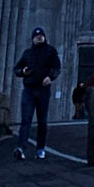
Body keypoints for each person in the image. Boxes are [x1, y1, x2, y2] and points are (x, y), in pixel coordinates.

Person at [12, 27, 61, 160]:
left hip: (43, 90)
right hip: (29, 89)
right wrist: (23, 71)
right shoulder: (27, 53)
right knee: (26, 119)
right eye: (36, 36)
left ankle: (40, 148)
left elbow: (57, 67)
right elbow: (17, 69)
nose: (39, 38)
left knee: (42, 121)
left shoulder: (51, 51)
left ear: (44, 37)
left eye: (41, 36)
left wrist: (50, 77)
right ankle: (21, 147)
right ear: (32, 38)